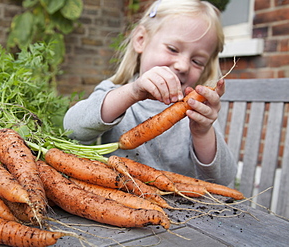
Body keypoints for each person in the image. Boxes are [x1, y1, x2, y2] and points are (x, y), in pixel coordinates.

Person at [63, 0, 237, 186]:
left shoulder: (196, 113)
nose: (183, 66)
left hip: (182, 206)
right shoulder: (115, 92)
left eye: (197, 61)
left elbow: (223, 179)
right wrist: (132, 92)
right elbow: (71, 129)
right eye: (172, 49)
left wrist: (203, 133)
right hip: (121, 200)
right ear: (141, 40)